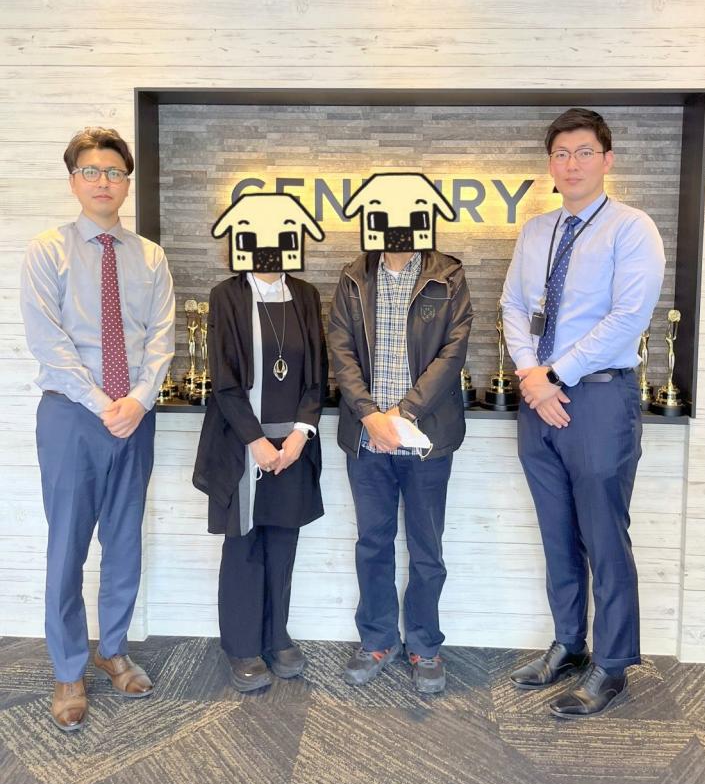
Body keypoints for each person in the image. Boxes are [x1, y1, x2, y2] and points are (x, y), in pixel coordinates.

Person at [501, 107, 665, 717]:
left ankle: (612, 665)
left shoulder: (631, 228)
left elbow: (629, 316)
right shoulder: (536, 230)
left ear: (607, 159)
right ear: (550, 163)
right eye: (561, 154)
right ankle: (569, 644)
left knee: (603, 537)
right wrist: (531, 375)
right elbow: (513, 305)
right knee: (556, 534)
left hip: (597, 397)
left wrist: (554, 375)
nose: (571, 164)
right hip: (537, 401)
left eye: (584, 152)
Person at [20, 126, 175, 732]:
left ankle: (113, 650)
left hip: (134, 418)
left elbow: (161, 340)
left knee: (124, 539)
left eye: (114, 172)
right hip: (71, 417)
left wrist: (137, 401)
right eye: (91, 171)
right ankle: (67, 669)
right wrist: (102, 402)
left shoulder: (151, 258)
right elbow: (48, 340)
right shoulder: (47, 252)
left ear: (126, 183)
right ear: (73, 182)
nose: (103, 181)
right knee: (67, 545)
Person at [329, 238, 473, 694]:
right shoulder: (354, 276)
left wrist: (403, 414)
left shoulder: (447, 276)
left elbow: (453, 353)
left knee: (427, 549)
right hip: (368, 438)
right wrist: (370, 416)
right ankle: (377, 640)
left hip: (425, 438)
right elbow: (341, 351)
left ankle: (425, 645)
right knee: (372, 544)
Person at [193, 266, 326, 693]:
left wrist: (301, 434)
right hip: (243, 443)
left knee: (283, 543)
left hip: (293, 446)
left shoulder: (305, 295)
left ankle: (275, 637)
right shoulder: (227, 295)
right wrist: (256, 441)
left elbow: (317, 376)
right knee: (243, 546)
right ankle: (242, 646)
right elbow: (224, 380)